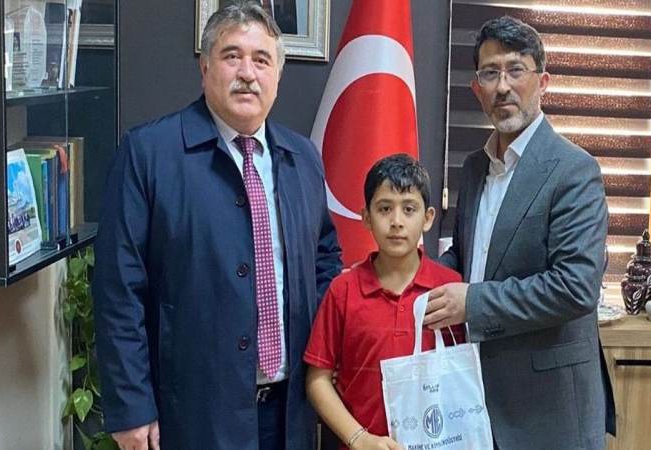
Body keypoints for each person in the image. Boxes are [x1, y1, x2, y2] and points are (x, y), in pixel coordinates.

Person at [92, 2, 342, 449]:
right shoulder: (149, 154)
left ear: (278, 75)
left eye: (261, 60)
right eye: (232, 56)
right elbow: (118, 290)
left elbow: (325, 258)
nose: (247, 73)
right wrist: (131, 406)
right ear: (205, 67)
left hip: (290, 413)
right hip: (193, 414)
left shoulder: (302, 157)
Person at [423, 16, 616, 450]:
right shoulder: (474, 167)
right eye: (490, 73)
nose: (503, 86)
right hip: (476, 401)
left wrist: (472, 302)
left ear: (542, 82)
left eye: (515, 70)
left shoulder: (574, 171)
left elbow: (575, 287)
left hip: (550, 414)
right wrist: (408, 278)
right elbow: (468, 257)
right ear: (476, 88)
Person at [304, 154, 465, 450]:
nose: (396, 222)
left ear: (428, 218)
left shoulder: (450, 290)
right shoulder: (343, 290)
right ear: (366, 217)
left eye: (409, 209)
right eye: (384, 209)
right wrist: (359, 438)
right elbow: (318, 380)